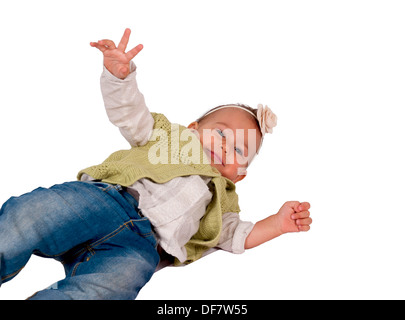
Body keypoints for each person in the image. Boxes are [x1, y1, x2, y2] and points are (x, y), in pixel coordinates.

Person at [0, 29, 312, 300]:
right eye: (220, 133)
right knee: (31, 213)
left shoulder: (223, 200)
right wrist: (119, 78)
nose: (225, 148)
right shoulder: (168, 137)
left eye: (239, 151)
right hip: (102, 199)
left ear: (240, 175)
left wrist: (277, 224)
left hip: (139, 248)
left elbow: (235, 234)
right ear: (192, 128)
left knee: (109, 289)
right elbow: (131, 114)